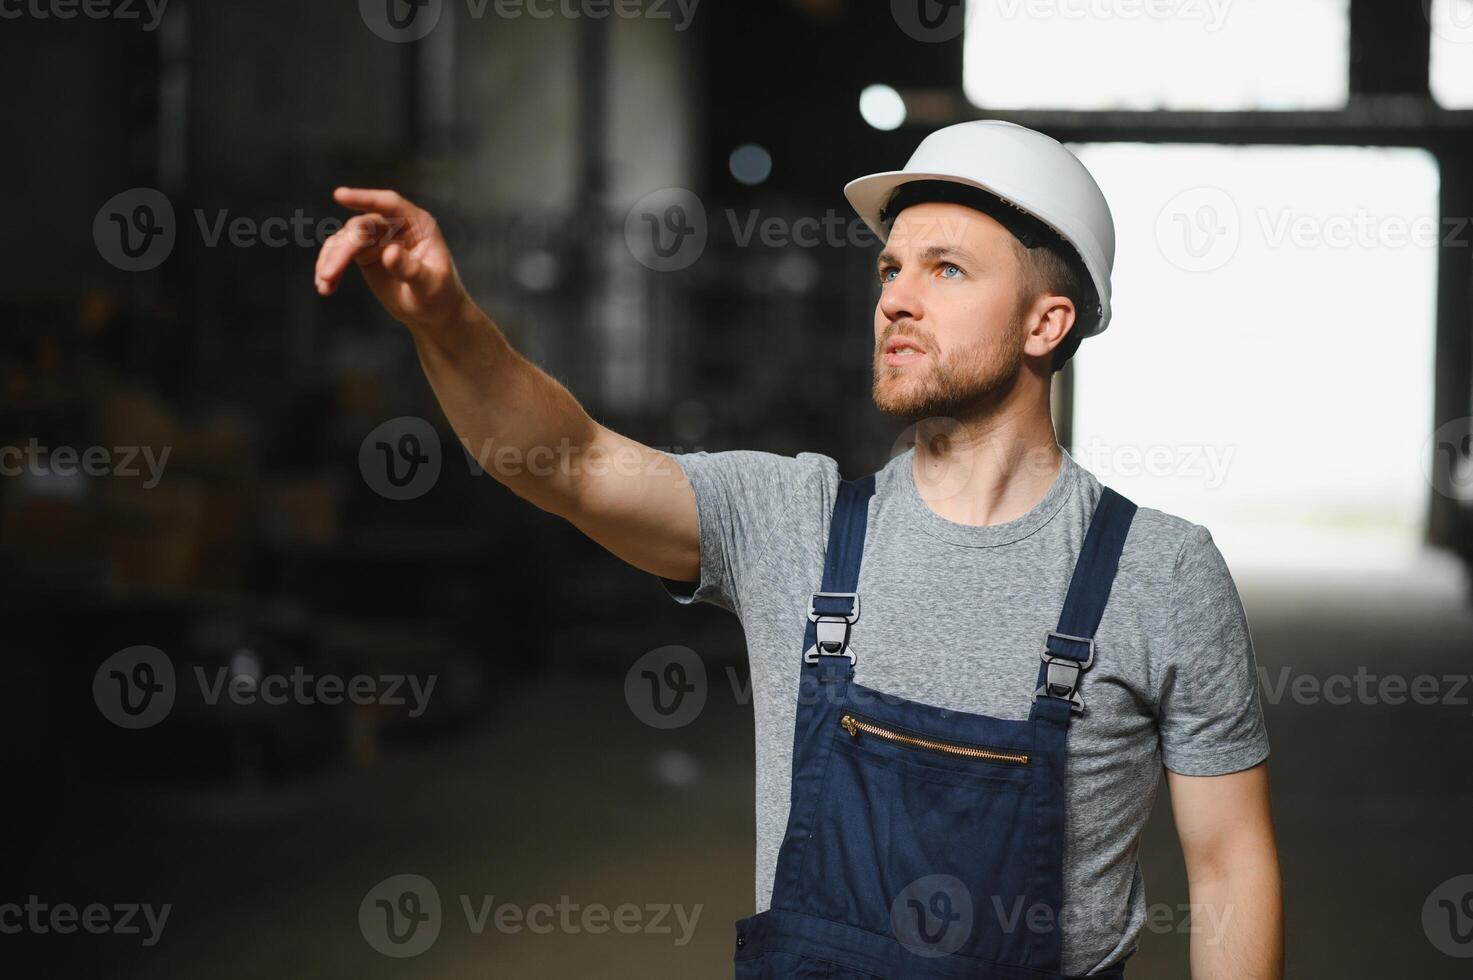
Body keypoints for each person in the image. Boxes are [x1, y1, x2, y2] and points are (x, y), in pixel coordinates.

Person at [313, 119, 1283, 979]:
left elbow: (1229, 861)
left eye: (946, 268)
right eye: (890, 268)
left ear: (1046, 320)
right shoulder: (795, 521)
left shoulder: (1160, 572)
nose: (897, 297)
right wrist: (446, 321)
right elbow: (564, 460)